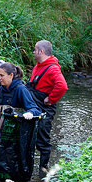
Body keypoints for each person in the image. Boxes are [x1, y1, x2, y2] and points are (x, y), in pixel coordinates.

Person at [0, 63, 41, 182]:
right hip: (0, 139)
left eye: (2, 75)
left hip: (15, 139)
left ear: (11, 75)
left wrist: (29, 113)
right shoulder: (2, 89)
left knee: (17, 166)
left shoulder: (20, 89)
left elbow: (35, 109)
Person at [26, 40, 68, 172]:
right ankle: (28, 167)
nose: (33, 52)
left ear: (41, 52)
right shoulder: (38, 66)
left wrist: (50, 99)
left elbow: (62, 86)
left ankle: (43, 170)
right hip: (34, 107)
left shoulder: (53, 68)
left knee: (43, 140)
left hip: (45, 109)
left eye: (35, 49)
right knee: (29, 137)